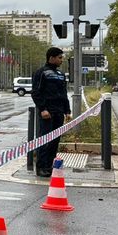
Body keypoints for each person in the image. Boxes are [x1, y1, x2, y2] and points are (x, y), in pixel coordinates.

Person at [31, 46, 71, 177]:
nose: (62, 60)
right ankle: (41, 166)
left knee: (55, 141)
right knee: (45, 140)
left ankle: (50, 165)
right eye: (60, 58)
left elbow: (64, 94)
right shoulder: (41, 73)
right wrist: (43, 109)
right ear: (51, 58)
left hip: (59, 111)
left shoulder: (60, 75)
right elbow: (36, 92)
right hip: (47, 112)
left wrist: (67, 110)